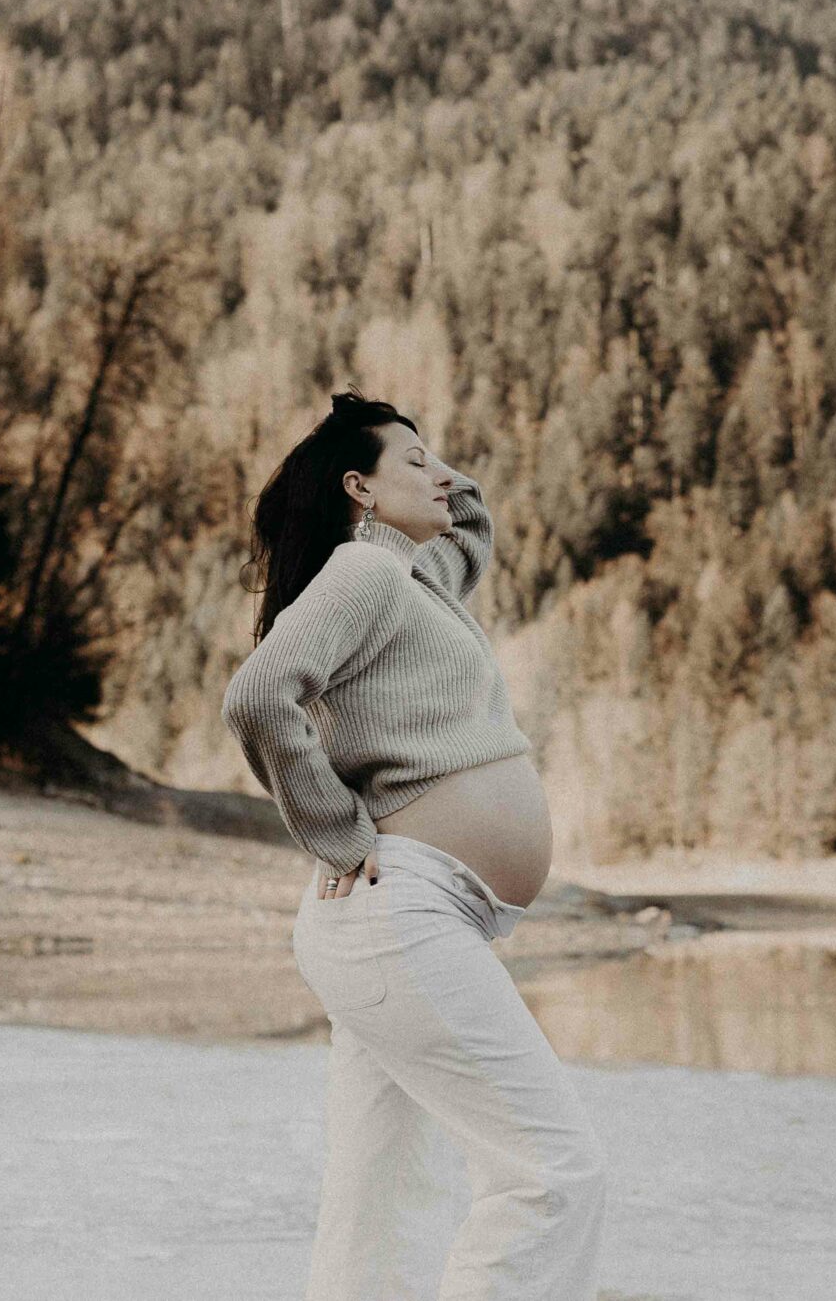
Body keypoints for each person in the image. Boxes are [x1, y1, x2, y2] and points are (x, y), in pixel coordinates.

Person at [223, 388, 608, 1300]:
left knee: (379, 1200)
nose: (441, 474)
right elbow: (257, 696)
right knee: (552, 1172)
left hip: (411, 920)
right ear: (359, 489)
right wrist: (334, 829)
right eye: (414, 461)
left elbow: (468, 516)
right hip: (399, 912)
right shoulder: (360, 576)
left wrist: (404, 452)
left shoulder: (413, 581)